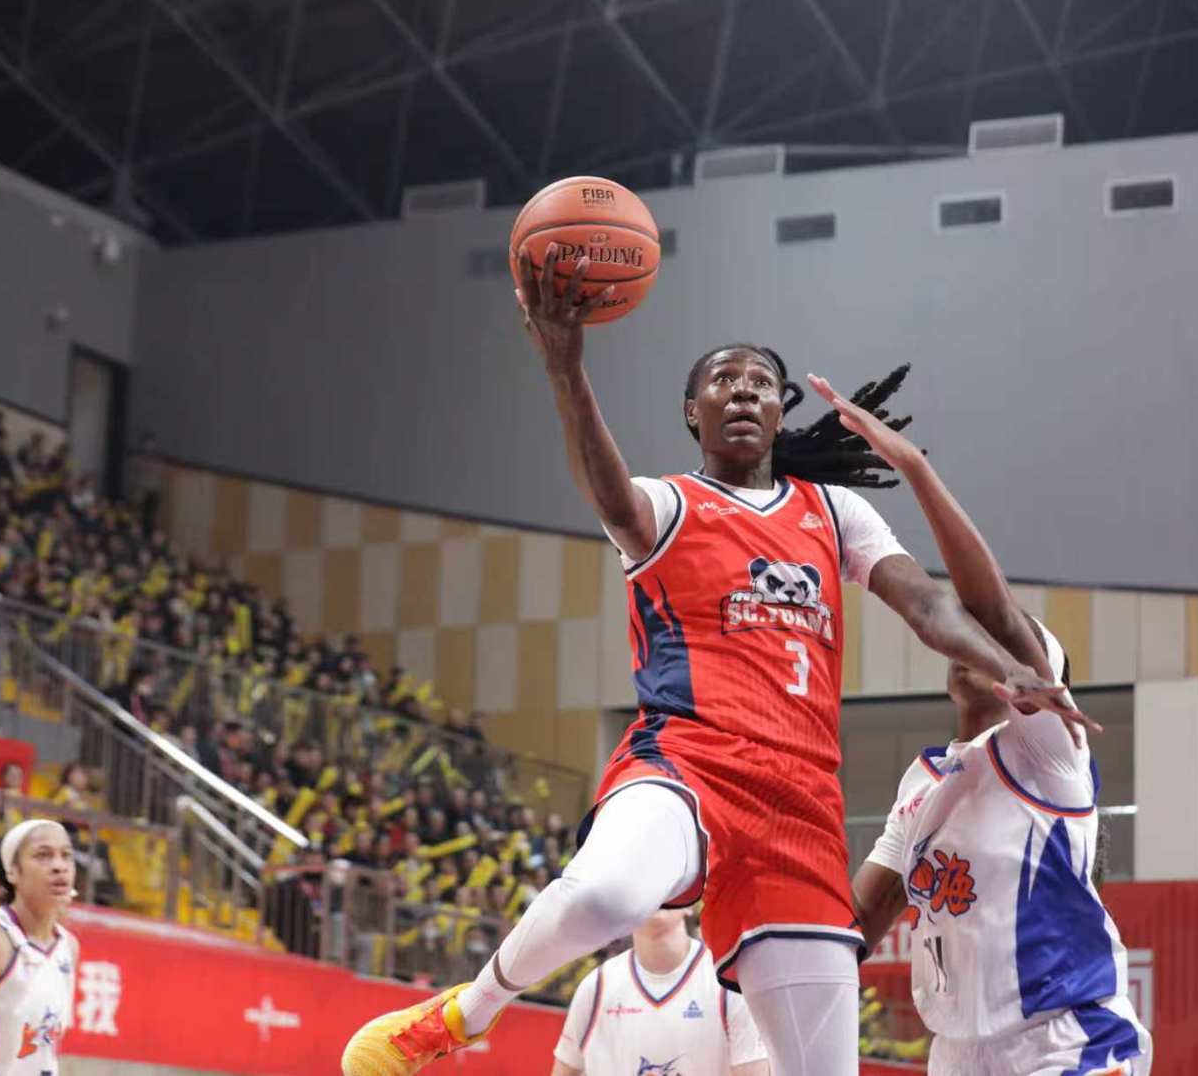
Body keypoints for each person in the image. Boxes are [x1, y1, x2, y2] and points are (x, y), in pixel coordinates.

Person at [342, 256, 1079, 1076]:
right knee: (608, 894)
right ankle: (460, 1015)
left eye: (761, 382)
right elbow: (609, 495)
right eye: (723, 380)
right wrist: (565, 368)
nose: (743, 391)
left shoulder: (835, 512)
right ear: (693, 411)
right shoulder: (667, 503)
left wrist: (1006, 667)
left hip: (801, 806)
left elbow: (930, 606)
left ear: (780, 409)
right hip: (688, 761)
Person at [818, 374, 1152, 1076]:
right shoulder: (922, 783)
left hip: (1064, 1039)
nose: (980, 641)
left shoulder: (1050, 752)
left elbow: (993, 609)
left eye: (1002, 639)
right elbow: (862, 920)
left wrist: (914, 468)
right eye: (968, 635)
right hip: (959, 1055)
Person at [552, 908, 769, 1076]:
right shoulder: (596, 986)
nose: (658, 893)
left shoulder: (728, 983)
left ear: (690, 902)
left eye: (669, 883)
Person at [0, 819, 80, 1073]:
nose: (59, 866)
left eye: (66, 856)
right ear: (13, 871)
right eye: (43, 855)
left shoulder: (69, 947)